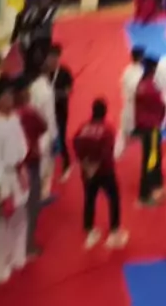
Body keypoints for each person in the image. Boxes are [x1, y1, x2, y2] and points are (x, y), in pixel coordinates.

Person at [0, 76, 29, 284]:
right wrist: (3, 190)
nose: (10, 99)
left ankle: (18, 256)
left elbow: (22, 144)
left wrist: (22, 167)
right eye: (6, 96)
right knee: (3, 223)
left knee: (21, 217)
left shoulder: (14, 118)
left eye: (11, 94)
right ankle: (0, 267)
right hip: (3, 177)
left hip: (17, 172)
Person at [73, 99, 129, 250]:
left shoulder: (83, 127)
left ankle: (89, 228)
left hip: (86, 170)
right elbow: (107, 151)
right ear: (105, 112)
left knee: (89, 198)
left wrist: (85, 164)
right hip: (104, 170)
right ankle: (114, 230)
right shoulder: (107, 129)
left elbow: (75, 144)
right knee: (113, 197)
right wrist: (96, 166)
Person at [14, 76, 48, 258]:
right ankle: (28, 247)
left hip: (15, 166)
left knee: (18, 208)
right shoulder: (28, 113)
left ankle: (18, 248)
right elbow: (43, 127)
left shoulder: (10, 114)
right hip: (30, 162)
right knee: (32, 205)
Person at [135, 57, 166, 206]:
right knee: (151, 159)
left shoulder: (142, 84)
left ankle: (157, 186)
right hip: (152, 127)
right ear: (153, 69)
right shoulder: (151, 87)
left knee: (155, 156)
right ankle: (145, 194)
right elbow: (160, 105)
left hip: (145, 126)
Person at [30, 63, 58, 199]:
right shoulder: (47, 91)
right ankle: (43, 194)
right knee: (47, 164)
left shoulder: (32, 87)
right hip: (45, 132)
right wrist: (54, 136)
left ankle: (37, 192)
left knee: (38, 164)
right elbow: (50, 116)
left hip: (33, 132)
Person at [46, 45, 74, 181]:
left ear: (58, 58)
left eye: (54, 58)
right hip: (47, 111)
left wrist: (55, 94)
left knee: (61, 137)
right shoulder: (45, 73)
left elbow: (69, 91)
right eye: (50, 58)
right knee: (48, 138)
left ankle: (67, 163)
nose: (51, 61)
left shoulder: (64, 73)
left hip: (61, 110)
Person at [114, 46, 145, 158]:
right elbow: (137, 88)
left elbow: (122, 84)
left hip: (128, 103)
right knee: (126, 129)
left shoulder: (128, 70)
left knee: (125, 128)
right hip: (134, 104)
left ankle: (118, 152)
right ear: (141, 57)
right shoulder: (140, 71)